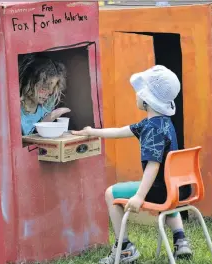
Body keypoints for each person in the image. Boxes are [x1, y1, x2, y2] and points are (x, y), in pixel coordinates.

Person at [72, 65, 192, 263]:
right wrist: (91, 132)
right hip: (176, 189)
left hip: (159, 190)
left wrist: (139, 196)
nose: (136, 96)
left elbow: (153, 165)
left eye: (138, 93)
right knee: (168, 197)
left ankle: (124, 247)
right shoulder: (163, 123)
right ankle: (181, 240)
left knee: (111, 193)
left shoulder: (151, 130)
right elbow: (119, 131)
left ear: (146, 100)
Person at [19, 53, 71, 135]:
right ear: (28, 82)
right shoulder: (16, 110)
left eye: (53, 88)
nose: (50, 92)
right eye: (45, 86)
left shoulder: (47, 106)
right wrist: (48, 119)